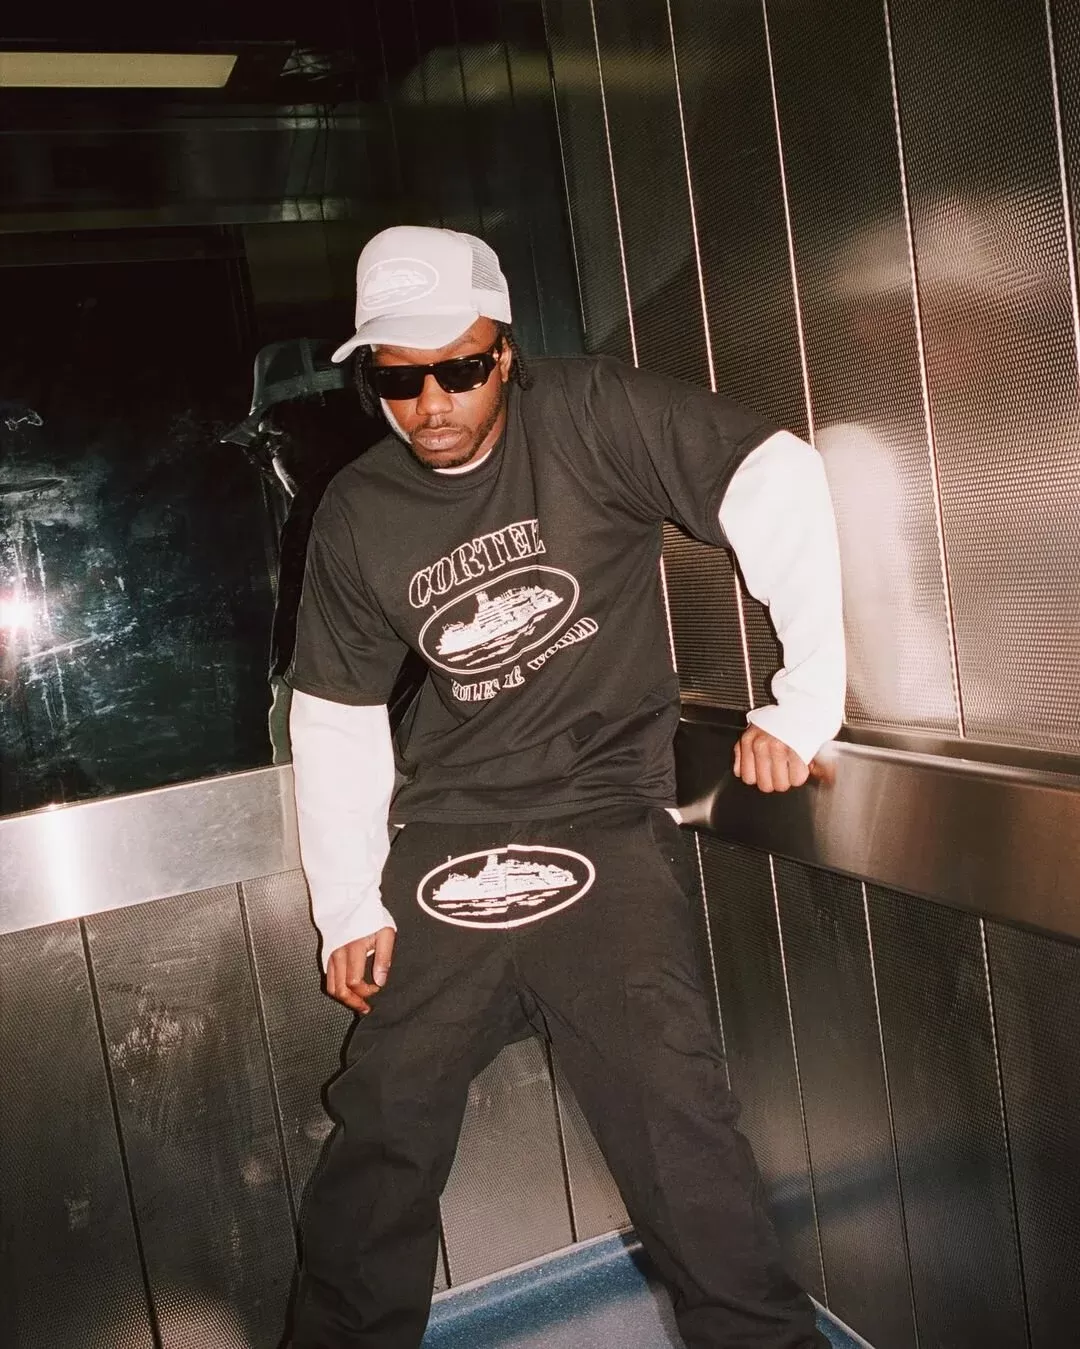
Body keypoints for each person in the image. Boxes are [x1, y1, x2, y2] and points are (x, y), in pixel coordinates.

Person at [286, 225, 845, 1349]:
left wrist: (805, 702)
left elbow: (774, 469)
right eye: (396, 378)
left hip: (603, 814)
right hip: (446, 832)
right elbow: (335, 711)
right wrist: (346, 903)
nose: (430, 403)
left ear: (505, 349)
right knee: (381, 1131)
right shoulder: (357, 509)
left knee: (678, 1135)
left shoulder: (592, 413)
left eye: (459, 367)